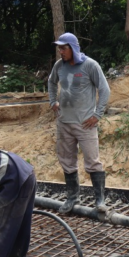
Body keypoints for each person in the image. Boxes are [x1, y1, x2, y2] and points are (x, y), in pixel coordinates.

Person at [47, 32, 110, 215]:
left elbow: (104, 90)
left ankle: (99, 200)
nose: (60, 51)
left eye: (63, 48)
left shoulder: (90, 65)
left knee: (93, 161)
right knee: (67, 161)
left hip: (85, 124)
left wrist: (98, 114)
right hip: (64, 123)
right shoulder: (59, 66)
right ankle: (72, 197)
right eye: (59, 48)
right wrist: (53, 102)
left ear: (73, 48)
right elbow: (51, 83)